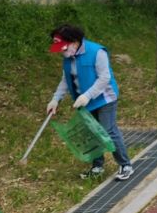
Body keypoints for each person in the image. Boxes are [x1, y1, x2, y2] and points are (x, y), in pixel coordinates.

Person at [46, 25, 134, 180]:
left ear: (74, 42)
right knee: (91, 132)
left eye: (64, 47)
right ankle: (97, 166)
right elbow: (65, 80)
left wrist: (87, 95)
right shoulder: (68, 58)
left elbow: (104, 78)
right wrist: (55, 99)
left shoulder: (97, 52)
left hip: (105, 98)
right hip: (86, 102)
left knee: (107, 131)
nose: (62, 51)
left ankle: (125, 165)